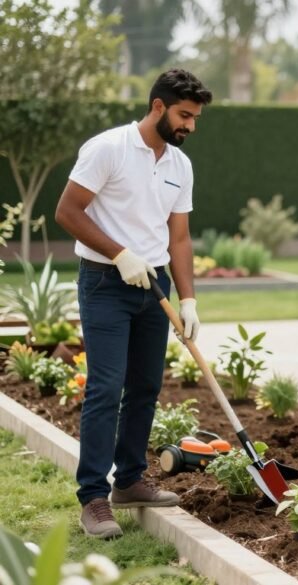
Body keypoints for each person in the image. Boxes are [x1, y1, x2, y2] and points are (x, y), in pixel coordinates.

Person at [55, 69, 212, 539]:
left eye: (196, 118)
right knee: (106, 387)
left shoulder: (180, 165)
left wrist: (189, 298)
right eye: (184, 115)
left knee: (145, 386)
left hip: (154, 286)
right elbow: (67, 211)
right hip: (105, 282)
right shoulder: (109, 148)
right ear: (159, 107)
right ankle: (93, 498)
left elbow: (179, 237)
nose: (190, 126)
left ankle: (128, 482)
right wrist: (119, 254)